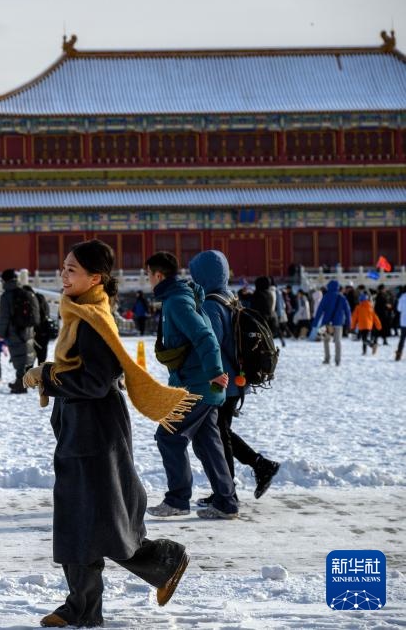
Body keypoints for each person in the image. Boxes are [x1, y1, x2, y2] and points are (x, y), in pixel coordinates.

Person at [22, 240, 194, 628]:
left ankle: (153, 567)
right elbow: (85, 373)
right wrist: (53, 372)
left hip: (94, 435)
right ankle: (86, 605)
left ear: (94, 278)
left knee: (91, 522)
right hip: (83, 430)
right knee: (87, 522)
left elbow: (96, 381)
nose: (63, 275)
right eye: (63, 268)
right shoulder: (81, 311)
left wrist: (49, 375)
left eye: (72, 270)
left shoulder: (93, 319)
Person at [145, 251, 237, 519]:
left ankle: (177, 500)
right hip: (200, 384)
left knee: (168, 436)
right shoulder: (183, 297)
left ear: (158, 275)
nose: (148, 279)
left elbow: (206, 337)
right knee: (207, 442)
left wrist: (214, 372)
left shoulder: (177, 301)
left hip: (198, 385)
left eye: (149, 274)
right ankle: (226, 503)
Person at [189, 250, 281, 502]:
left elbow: (212, 344)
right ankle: (258, 467)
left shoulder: (210, 303)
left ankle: (227, 493)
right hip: (237, 379)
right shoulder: (231, 298)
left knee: (218, 436)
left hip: (222, 382)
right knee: (221, 432)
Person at [0, 268, 37, 394]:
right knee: (25, 355)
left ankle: (21, 384)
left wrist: (1, 334)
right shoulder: (25, 292)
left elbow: (4, 317)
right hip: (28, 329)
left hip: (15, 330)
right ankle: (21, 381)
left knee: (18, 356)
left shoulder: (6, 296)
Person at [308, 280, 352, 366]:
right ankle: (337, 360)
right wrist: (348, 323)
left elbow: (319, 311)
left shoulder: (326, 296)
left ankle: (327, 359)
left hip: (326, 323)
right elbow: (348, 311)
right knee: (338, 341)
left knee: (325, 341)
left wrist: (315, 323)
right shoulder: (342, 297)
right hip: (338, 323)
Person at [30, 285, 53, 365]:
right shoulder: (42, 299)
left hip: (34, 331)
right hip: (44, 332)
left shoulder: (31, 300)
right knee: (42, 358)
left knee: (30, 360)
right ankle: (40, 374)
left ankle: (30, 376)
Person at [396, 287, 406, 361]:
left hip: (403, 322)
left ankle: (398, 354)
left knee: (402, 339)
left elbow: (398, 309)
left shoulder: (401, 298)